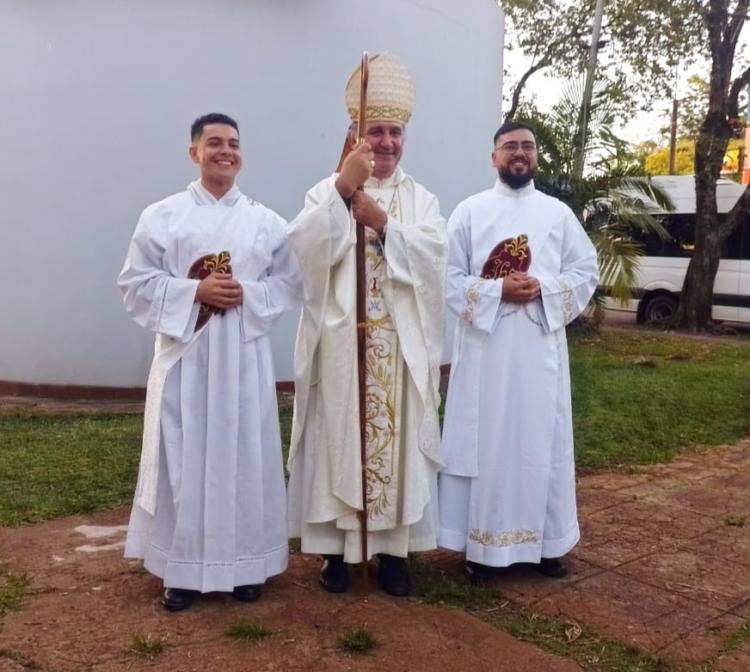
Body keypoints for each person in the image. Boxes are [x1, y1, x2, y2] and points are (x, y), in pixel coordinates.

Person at [118, 112, 302, 611]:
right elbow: (134, 284)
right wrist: (193, 290)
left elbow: (290, 283)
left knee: (246, 455)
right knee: (183, 456)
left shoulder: (266, 222)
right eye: (214, 142)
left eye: (234, 143)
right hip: (187, 359)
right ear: (193, 152)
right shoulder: (163, 216)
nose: (226, 151)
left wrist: (247, 293)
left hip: (242, 356)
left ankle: (247, 565)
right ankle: (179, 572)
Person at [286, 54, 446, 596]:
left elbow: (435, 259)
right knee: (339, 440)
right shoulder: (325, 188)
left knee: (395, 449)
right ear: (356, 133)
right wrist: (340, 192)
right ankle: (335, 551)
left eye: (394, 132)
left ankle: (393, 553)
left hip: (396, 344)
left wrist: (384, 225)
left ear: (406, 137)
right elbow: (301, 252)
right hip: (340, 342)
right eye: (375, 131)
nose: (385, 142)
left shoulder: (420, 199)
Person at [438, 121, 599, 581]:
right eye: (510, 146)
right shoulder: (469, 212)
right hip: (486, 352)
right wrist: (496, 291)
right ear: (494, 157)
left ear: (535, 158)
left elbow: (585, 269)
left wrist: (542, 288)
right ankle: (482, 548)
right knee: (486, 444)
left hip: (538, 348)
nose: (520, 153)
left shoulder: (557, 214)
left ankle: (546, 544)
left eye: (527, 146)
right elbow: (447, 278)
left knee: (541, 442)